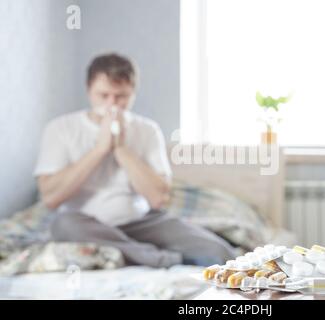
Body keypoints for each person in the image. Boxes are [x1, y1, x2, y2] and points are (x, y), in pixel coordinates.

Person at [34, 53, 235, 267]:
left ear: (133, 94)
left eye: (121, 96)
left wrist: (121, 148)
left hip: (140, 222)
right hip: (84, 224)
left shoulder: (147, 130)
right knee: (63, 225)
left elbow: (158, 198)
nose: (112, 104)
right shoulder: (60, 129)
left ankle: (130, 251)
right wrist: (100, 149)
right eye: (104, 95)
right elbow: (50, 198)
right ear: (88, 90)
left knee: (219, 251)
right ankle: (160, 258)